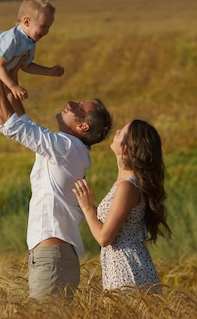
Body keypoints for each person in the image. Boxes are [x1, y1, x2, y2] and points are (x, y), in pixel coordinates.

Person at [0, 37, 112, 299]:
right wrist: (10, 77)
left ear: (82, 127)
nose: (71, 102)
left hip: (52, 257)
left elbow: (8, 124)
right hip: (56, 256)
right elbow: (23, 121)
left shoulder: (65, 148)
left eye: (79, 108)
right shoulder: (69, 150)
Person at [72, 120, 172, 293]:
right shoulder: (125, 185)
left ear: (125, 148)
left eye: (121, 133)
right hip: (126, 266)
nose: (116, 131)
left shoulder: (127, 187)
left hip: (126, 271)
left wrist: (88, 209)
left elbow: (104, 238)